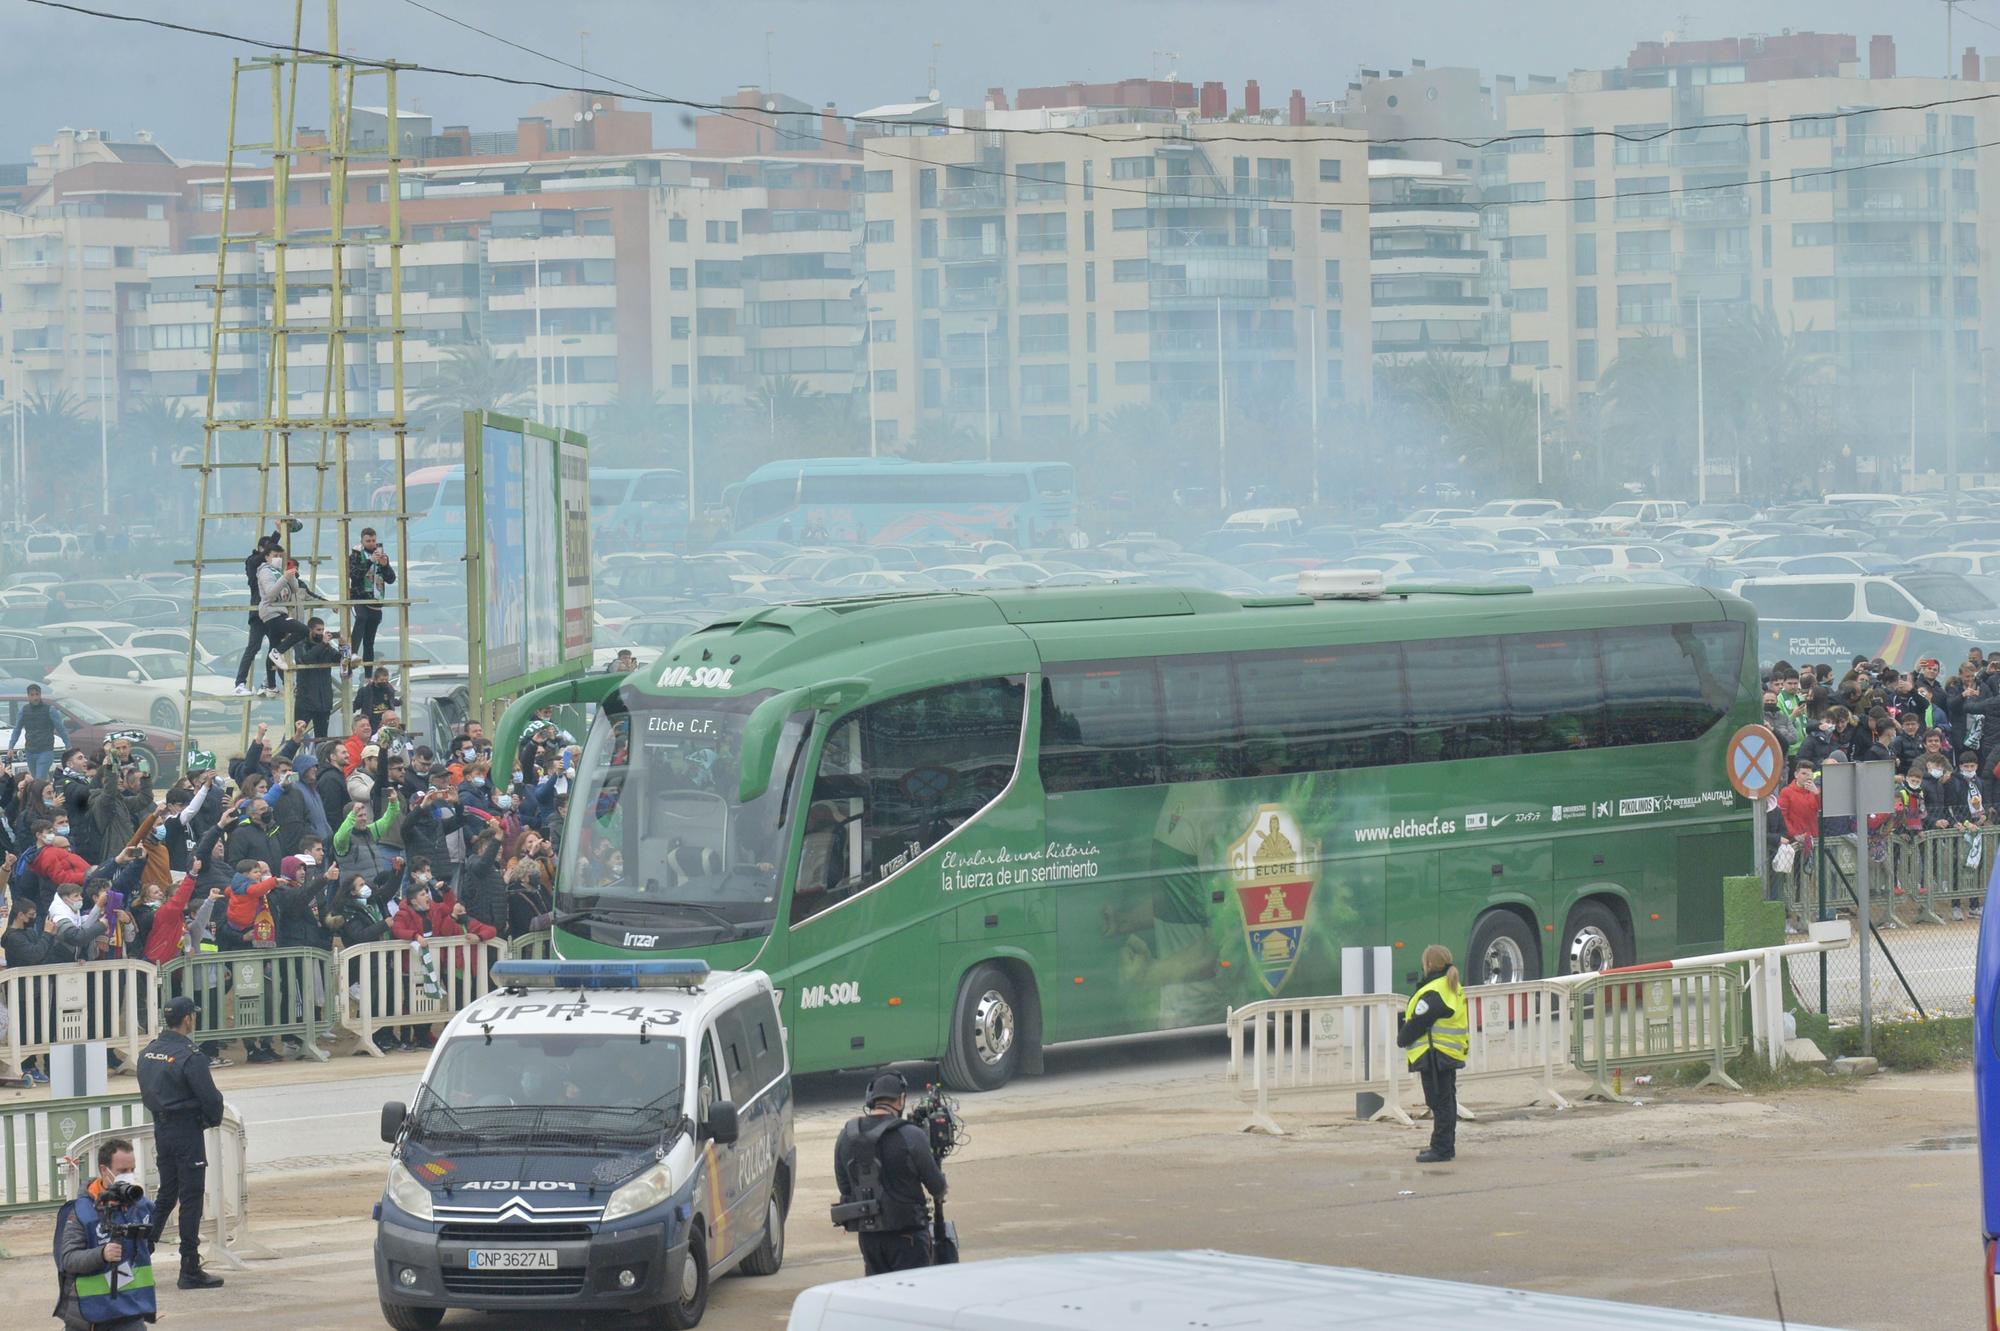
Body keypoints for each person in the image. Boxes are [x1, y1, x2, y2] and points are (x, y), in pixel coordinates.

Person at [136, 996, 226, 1288]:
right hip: (186, 1131)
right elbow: (211, 1100)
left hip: (162, 1128)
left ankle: (139, 1255)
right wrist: (207, 1120)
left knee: (166, 1194)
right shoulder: (191, 1055)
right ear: (188, 1019)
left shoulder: (149, 1052)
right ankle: (189, 1267)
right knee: (190, 1199)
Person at [832, 1070, 947, 1275]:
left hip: (869, 1240)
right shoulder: (911, 1135)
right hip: (908, 1238)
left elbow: (845, 1187)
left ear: (870, 1100)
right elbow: (937, 1187)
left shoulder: (846, 1135)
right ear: (901, 1099)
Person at [54, 1137, 157, 1331]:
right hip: (90, 1315)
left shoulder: (141, 1206)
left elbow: (148, 1245)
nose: (129, 1176)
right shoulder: (81, 1211)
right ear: (104, 1171)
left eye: (132, 1170)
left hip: (130, 1311)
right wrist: (102, 1254)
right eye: (122, 1171)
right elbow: (68, 1259)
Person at [1397, 943, 1468, 1164]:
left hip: (1435, 1054)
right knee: (1446, 1101)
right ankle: (1445, 1145)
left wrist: (1402, 1038)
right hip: (1446, 1053)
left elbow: (1418, 1022)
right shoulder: (1449, 985)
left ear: (1428, 964)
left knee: (1439, 1102)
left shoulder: (1433, 991)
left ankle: (1442, 1148)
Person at [346, 526, 396, 665]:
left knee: (370, 640)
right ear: (362, 541)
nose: (371, 543)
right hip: (359, 598)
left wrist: (385, 565)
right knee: (361, 618)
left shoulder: (381, 555)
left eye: (373, 540)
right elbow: (355, 575)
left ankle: (368, 675)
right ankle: (352, 652)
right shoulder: (355, 555)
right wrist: (370, 561)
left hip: (376, 600)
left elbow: (391, 579)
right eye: (368, 541)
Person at [291, 616, 344, 740]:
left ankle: (321, 759)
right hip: (306, 700)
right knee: (297, 735)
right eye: (318, 630)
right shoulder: (301, 643)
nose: (321, 633)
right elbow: (305, 659)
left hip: (323, 701)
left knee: (322, 738)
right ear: (310, 630)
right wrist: (323, 644)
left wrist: (342, 645)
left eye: (323, 630)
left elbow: (338, 658)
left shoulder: (325, 646)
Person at [6, 683, 68, 779]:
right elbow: (17, 729)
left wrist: (68, 745)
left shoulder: (50, 710)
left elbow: (61, 729)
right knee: (36, 779)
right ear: (28, 696)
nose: (35, 697)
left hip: (45, 750)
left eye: (37, 694)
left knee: (39, 779)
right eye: (32, 695)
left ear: (40, 694)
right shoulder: (24, 710)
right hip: (30, 750)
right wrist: (11, 746)